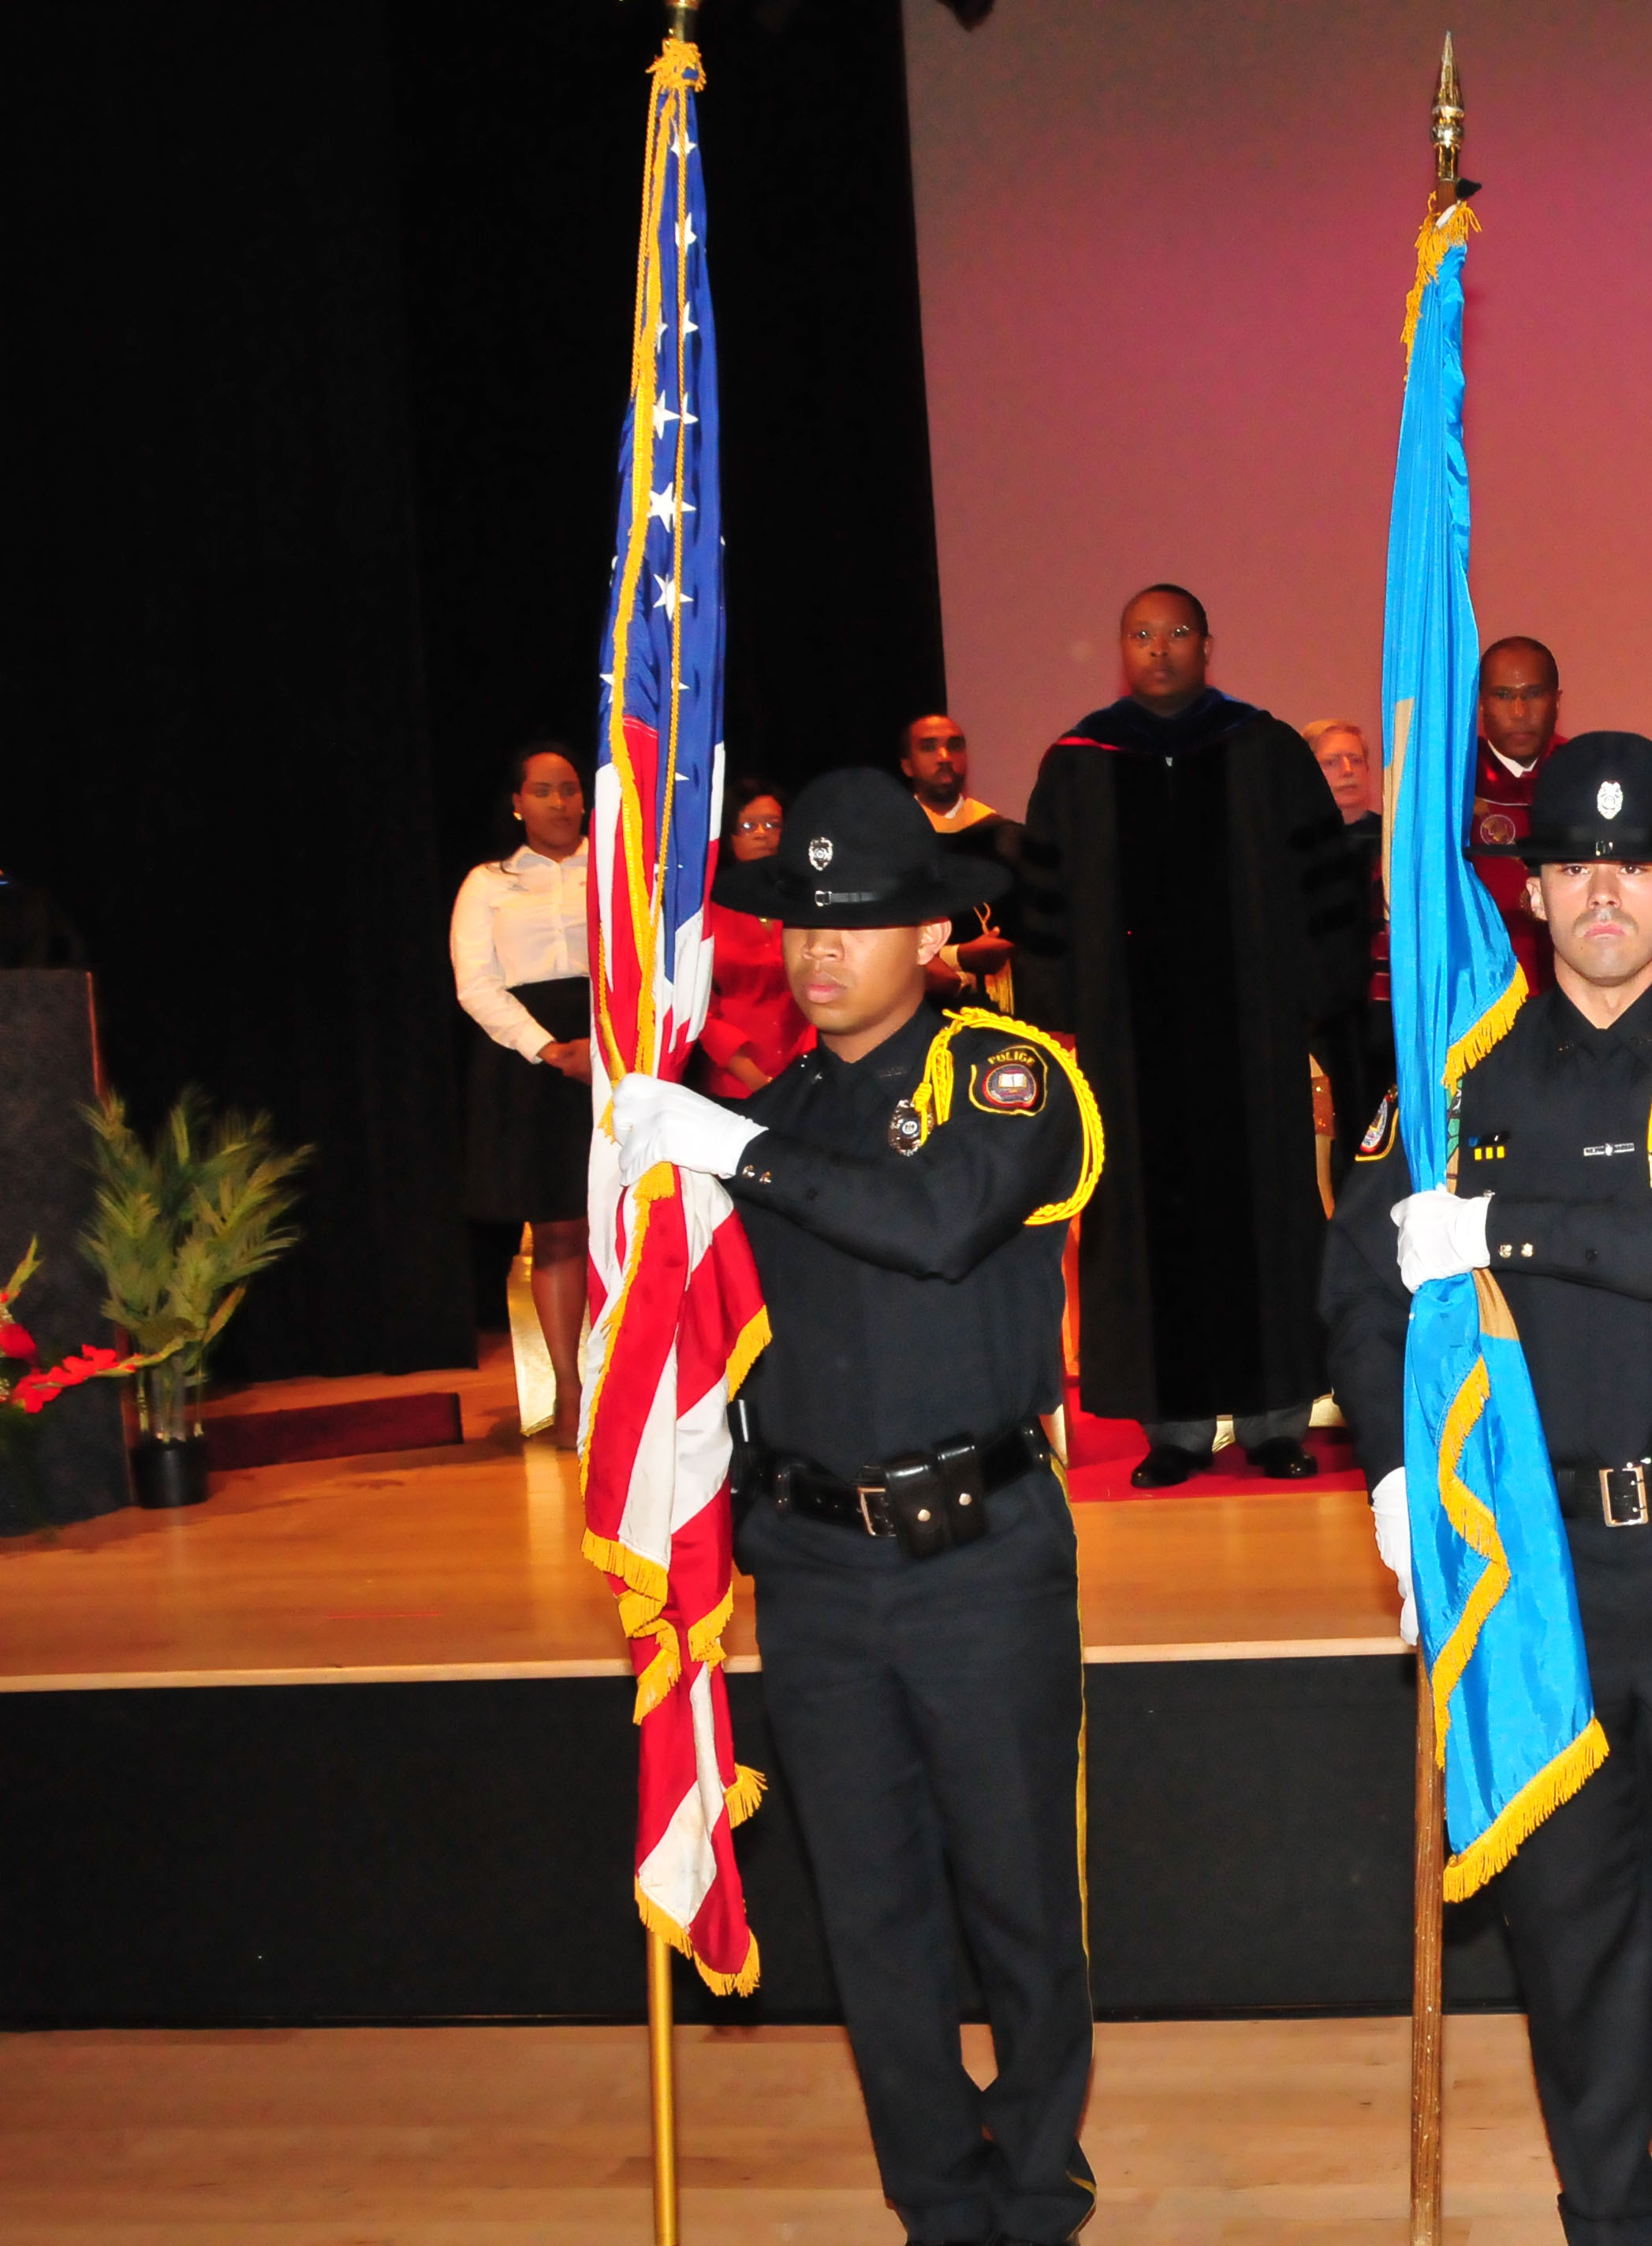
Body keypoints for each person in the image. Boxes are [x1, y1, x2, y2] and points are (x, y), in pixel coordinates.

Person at [1321, 733, 1652, 2246]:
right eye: (1570, 863)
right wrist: (1396, 1468)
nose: (1603, 887)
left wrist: (1493, 1224)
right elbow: (1354, 1280)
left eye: (1635, 861)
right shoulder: (1454, 1070)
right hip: (1526, 1562)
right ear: (1533, 890)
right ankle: (1609, 2216)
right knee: (1568, 1931)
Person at [605, 767, 1100, 2246]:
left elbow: (938, 1224)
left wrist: (726, 1147)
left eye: (862, 918)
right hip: (810, 1562)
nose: (822, 949)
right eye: (802, 921)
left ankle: (1034, 2183)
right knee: (872, 1913)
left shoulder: (1007, 1075)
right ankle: (938, 2199)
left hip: (977, 1555)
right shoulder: (763, 1111)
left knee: (1014, 1894)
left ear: (931, 931)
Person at [1010, 582, 1370, 1485]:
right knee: (1143, 1221)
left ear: (1208, 645)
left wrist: (1310, 1002)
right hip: (1131, 1051)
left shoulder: (1265, 750)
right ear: (1122, 646)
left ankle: (1273, 1417)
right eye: (1141, 633)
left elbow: (1329, 889)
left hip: (1251, 1041)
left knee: (1270, 1216)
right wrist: (1061, 1008)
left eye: (1176, 632)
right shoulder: (1078, 763)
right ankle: (1171, 1427)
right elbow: (1044, 909)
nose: (1159, 648)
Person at [450, 742, 593, 1440]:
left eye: (569, 789)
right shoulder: (488, 881)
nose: (561, 802)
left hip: (618, 1048)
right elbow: (475, 983)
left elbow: (653, 958)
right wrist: (549, 1049)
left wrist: (608, 1046)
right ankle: (570, 1393)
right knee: (561, 1230)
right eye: (544, 791)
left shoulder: (620, 872)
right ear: (517, 803)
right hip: (530, 1060)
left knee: (627, 1227)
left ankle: (633, 1388)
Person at [1308, 720, 1393, 1187]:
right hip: (1320, 1029)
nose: (1347, 770)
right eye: (1331, 761)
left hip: (1387, 1025)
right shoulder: (1293, 854)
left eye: (1356, 759)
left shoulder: (1395, 845)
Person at [693, 772, 814, 1102]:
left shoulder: (807, 904)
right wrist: (757, 1079)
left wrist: (805, 1068)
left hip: (812, 1072)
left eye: (773, 824)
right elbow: (701, 1007)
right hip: (734, 1077)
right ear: (729, 835)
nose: (763, 835)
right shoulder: (706, 909)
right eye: (749, 827)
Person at [904, 715, 1020, 1009]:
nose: (945, 757)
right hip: (919, 1007)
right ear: (907, 765)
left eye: (954, 746)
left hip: (1000, 1002)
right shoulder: (891, 841)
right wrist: (959, 956)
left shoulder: (1004, 836)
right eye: (929, 747)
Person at [1469, 635, 1567, 983]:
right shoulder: (1456, 786)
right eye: (1504, 696)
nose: (1520, 712)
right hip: (1484, 992)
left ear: (1557, 701)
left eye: (1534, 694)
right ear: (1481, 705)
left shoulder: (1587, 776)